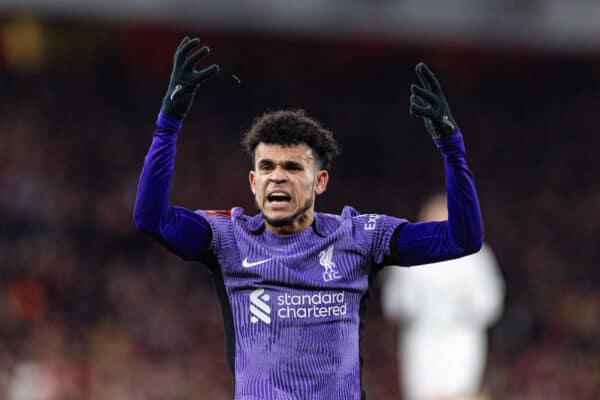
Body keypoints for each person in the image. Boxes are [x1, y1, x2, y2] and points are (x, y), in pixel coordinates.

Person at [133, 36, 484, 400]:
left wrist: (451, 146)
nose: (277, 176)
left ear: (320, 181)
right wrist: (169, 122)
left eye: (292, 167)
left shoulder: (359, 237)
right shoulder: (229, 238)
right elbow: (151, 219)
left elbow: (462, 239)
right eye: (266, 167)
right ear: (253, 183)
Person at [381, 194, 505, 400]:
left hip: (460, 337)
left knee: (460, 393)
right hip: (422, 338)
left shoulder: (475, 257)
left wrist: (464, 307)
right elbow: (395, 306)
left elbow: (490, 304)